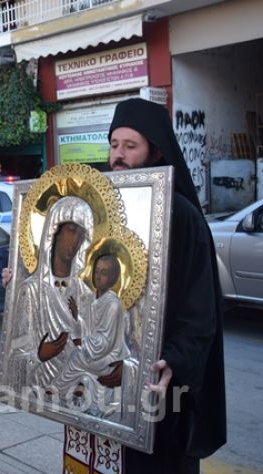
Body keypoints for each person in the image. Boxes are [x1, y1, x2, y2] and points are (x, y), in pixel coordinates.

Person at [90, 97, 226, 473]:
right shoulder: (100, 209)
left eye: (130, 146)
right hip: (104, 380)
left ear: (155, 151)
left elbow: (201, 312)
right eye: (114, 145)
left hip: (158, 389)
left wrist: (176, 359)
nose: (118, 155)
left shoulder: (181, 216)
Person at [6, 196, 95, 394]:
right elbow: (14, 359)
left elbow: (95, 350)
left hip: (78, 395)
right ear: (54, 231)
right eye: (71, 231)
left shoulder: (85, 294)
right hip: (40, 393)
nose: (76, 241)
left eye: (82, 235)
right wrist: (39, 355)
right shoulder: (30, 291)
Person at [50, 254, 131, 415]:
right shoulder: (92, 299)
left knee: (76, 357)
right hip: (95, 351)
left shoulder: (113, 305)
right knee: (74, 354)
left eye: (104, 273)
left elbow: (105, 341)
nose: (98, 276)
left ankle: (58, 389)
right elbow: (89, 328)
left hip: (109, 357)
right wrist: (76, 316)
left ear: (114, 278)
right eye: (97, 271)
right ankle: (60, 391)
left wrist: (81, 341)